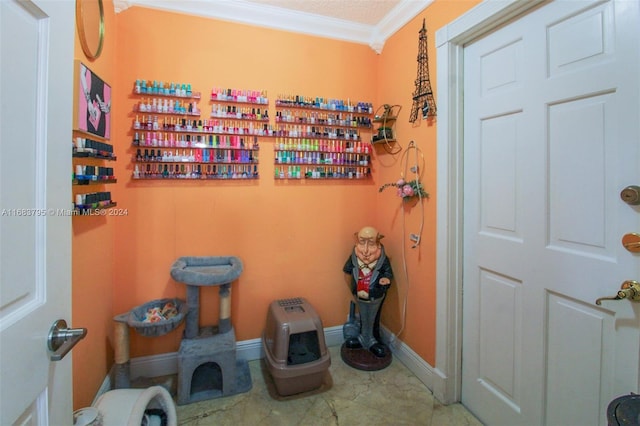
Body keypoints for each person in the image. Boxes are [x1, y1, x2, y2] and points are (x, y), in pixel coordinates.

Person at [342, 226, 393, 358]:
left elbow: (388, 273)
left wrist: (386, 279)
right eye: (361, 242)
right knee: (364, 316)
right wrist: (351, 292)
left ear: (378, 245)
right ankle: (363, 338)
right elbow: (347, 272)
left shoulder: (382, 260)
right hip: (358, 295)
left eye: (370, 244)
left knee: (372, 317)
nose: (365, 250)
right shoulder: (354, 259)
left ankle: (370, 339)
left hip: (375, 297)